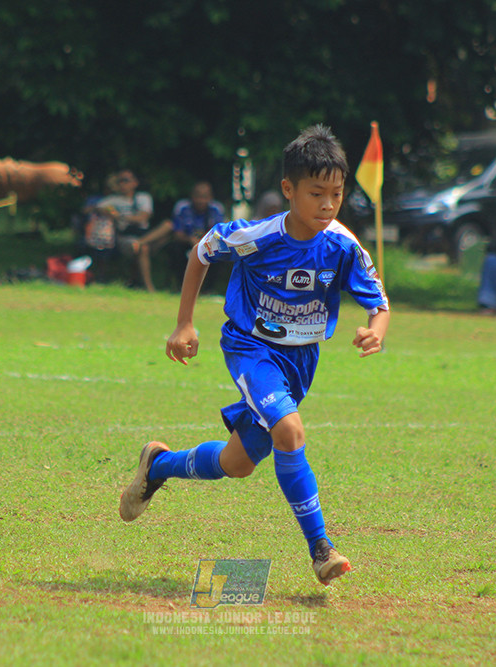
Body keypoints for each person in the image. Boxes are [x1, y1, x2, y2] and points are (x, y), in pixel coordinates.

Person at [119, 125, 390, 586]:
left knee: (237, 464)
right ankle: (320, 547)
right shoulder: (256, 235)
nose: (327, 205)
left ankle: (157, 465)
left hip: (300, 361)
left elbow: (378, 301)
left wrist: (375, 330)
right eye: (316, 193)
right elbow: (201, 252)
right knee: (289, 431)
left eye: (337, 195)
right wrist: (185, 323)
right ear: (289, 190)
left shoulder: (342, 244)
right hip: (251, 348)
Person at [134, 181, 226, 288]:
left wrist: (203, 242)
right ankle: (181, 286)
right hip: (185, 242)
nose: (201, 201)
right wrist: (189, 239)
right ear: (192, 196)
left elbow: (218, 233)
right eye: (198, 196)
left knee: (220, 252)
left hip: (208, 243)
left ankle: (208, 289)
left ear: (210, 197)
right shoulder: (182, 207)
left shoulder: (217, 208)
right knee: (175, 250)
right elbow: (177, 232)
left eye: (204, 197)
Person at [97, 169, 156, 291]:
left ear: (135, 183)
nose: (123, 184)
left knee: (168, 225)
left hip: (145, 234)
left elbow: (143, 217)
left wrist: (121, 216)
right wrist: (111, 213)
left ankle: (141, 242)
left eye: (126, 180)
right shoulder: (113, 200)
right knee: (142, 248)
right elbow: (98, 208)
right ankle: (149, 288)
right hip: (126, 236)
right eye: (120, 181)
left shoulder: (143, 197)